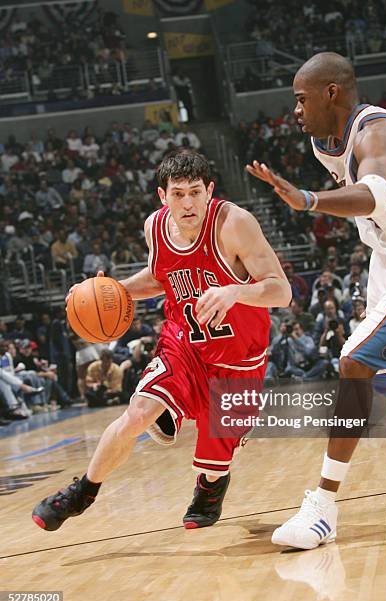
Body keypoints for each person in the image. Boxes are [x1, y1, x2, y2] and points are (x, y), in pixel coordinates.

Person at [246, 52, 386, 550]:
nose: (294, 111)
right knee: (385, 371)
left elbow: (374, 194)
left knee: (355, 362)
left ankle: (321, 507)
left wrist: (309, 200)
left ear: (332, 93)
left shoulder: (378, 135)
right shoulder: (326, 140)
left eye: (301, 100)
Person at [32, 150, 291, 532]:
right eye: (178, 193)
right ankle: (83, 491)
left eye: (195, 192)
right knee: (137, 413)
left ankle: (211, 483)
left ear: (210, 191)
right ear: (162, 196)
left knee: (215, 455)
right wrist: (113, 290)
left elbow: (281, 291)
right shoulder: (155, 227)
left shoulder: (235, 224)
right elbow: (161, 278)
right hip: (183, 344)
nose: (187, 202)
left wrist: (234, 292)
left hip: (237, 357)